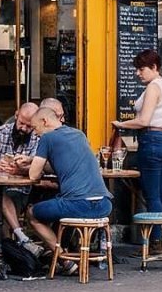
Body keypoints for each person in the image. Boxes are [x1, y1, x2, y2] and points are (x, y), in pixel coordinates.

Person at [26, 106, 111, 264]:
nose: (35, 133)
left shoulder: (47, 138)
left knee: (32, 214)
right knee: (58, 206)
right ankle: (64, 253)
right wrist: (32, 160)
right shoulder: (78, 134)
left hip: (79, 204)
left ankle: (64, 259)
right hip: (104, 204)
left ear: (44, 121)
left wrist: (30, 165)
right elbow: (62, 164)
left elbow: (33, 175)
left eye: (35, 128)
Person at [113, 49, 162, 251]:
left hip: (152, 140)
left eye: (141, 69)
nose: (137, 73)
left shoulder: (153, 88)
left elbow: (143, 120)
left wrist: (121, 124)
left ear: (154, 67)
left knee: (152, 196)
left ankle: (154, 243)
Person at [0, 102, 41, 252]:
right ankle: (21, 240)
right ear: (15, 115)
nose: (24, 129)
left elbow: (40, 171)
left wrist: (19, 170)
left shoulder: (38, 137)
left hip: (22, 191)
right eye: (21, 123)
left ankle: (10, 249)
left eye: (29, 126)